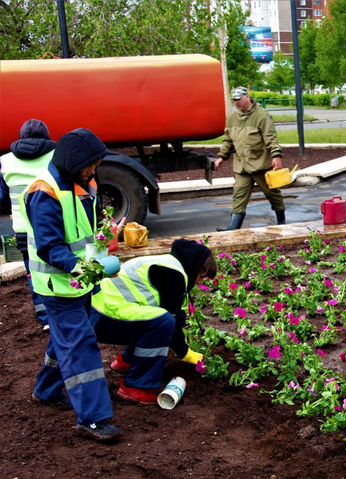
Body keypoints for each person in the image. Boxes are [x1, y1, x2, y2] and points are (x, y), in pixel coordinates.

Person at [20, 128, 122, 442]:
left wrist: (106, 236)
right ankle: (93, 419)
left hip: (79, 283)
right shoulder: (44, 192)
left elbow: (85, 230)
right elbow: (49, 247)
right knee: (80, 348)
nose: (95, 170)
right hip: (58, 286)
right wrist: (84, 268)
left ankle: (47, 391)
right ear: (74, 161)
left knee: (66, 340)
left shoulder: (82, 182)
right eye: (91, 164)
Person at [89, 239, 217, 404]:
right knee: (163, 323)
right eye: (201, 276)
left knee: (152, 317)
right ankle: (136, 386)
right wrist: (184, 352)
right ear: (195, 267)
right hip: (104, 316)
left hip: (96, 309)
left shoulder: (166, 263)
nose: (199, 282)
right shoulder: (175, 276)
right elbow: (172, 320)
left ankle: (126, 362)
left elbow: (173, 311)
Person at [0, 119, 55, 329]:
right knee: (58, 268)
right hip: (53, 226)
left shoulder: (5, 161)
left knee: (34, 272)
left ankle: (44, 317)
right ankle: (62, 311)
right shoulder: (56, 156)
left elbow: (2, 199)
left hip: (23, 230)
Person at [214, 87, 286, 231]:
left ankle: (282, 222)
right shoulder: (233, 118)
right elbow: (228, 140)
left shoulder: (262, 116)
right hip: (242, 166)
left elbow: (270, 137)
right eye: (234, 100)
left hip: (261, 165)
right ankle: (233, 228)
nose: (237, 103)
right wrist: (222, 156)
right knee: (238, 195)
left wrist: (276, 156)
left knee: (273, 194)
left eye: (239, 99)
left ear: (247, 97)